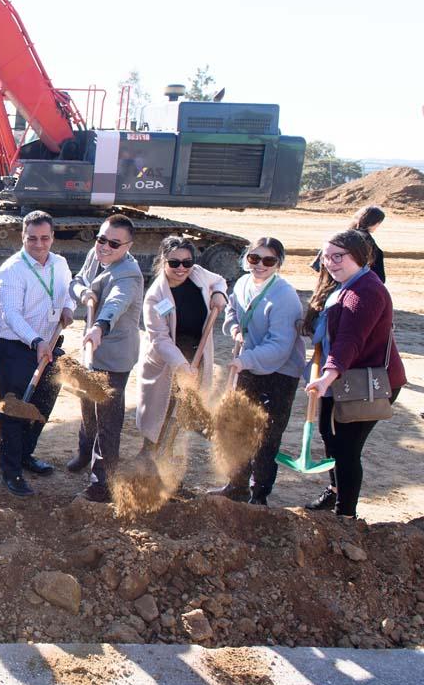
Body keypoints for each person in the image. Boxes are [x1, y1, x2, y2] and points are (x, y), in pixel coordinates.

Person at [303, 229, 405, 518]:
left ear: (359, 256)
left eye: (339, 256)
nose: (331, 263)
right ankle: (335, 491)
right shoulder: (344, 284)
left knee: (346, 449)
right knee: (329, 433)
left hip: (369, 383)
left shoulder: (367, 291)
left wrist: (327, 375)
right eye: (326, 257)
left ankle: (345, 514)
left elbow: (351, 339)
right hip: (342, 378)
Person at [0, 211, 75, 497]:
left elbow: (67, 292)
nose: (39, 244)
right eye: (32, 238)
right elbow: (12, 314)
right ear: (22, 238)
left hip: (49, 346)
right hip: (15, 348)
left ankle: (25, 455)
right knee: (15, 409)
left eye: (45, 238)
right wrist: (36, 340)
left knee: (41, 407)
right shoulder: (12, 270)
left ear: (52, 237)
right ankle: (9, 469)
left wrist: (68, 308)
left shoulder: (60, 264)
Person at [216, 237, 306, 504]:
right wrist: (233, 328)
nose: (260, 265)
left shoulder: (285, 296)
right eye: (254, 258)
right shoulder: (243, 284)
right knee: (239, 429)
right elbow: (232, 311)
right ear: (246, 258)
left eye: (269, 260)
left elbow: (280, 345)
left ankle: (259, 495)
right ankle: (237, 486)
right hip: (250, 363)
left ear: (279, 263)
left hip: (279, 373)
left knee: (266, 436)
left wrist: (246, 361)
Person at [68, 214, 144, 503]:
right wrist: (84, 291)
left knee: (108, 419)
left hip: (114, 355)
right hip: (91, 348)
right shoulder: (95, 254)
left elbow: (116, 302)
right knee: (87, 405)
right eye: (102, 239)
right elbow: (77, 281)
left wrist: (100, 327)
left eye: (114, 243)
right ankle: (84, 451)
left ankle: (102, 481)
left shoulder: (129, 274)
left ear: (128, 246)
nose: (105, 247)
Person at [135, 236, 227, 453]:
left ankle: (166, 457)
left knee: (182, 409)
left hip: (197, 355)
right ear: (163, 261)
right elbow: (160, 338)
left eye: (187, 262)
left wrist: (219, 293)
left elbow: (219, 280)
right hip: (167, 361)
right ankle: (148, 457)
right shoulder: (156, 296)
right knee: (161, 411)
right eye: (174, 263)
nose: (181, 268)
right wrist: (181, 365)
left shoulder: (198, 274)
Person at [351, 205, 386, 282]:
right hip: (357, 286)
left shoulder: (342, 235)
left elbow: (318, 265)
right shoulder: (368, 242)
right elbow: (380, 278)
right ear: (375, 222)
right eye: (379, 222)